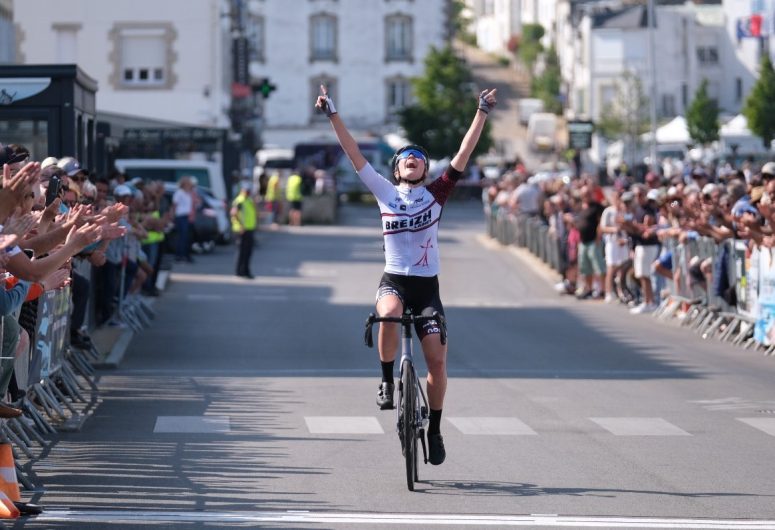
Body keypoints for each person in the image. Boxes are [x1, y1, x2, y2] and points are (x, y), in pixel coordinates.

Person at [315, 83, 497, 466]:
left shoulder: (437, 193)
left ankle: (434, 429)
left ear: (425, 168)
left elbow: (464, 152)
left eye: (418, 157)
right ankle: (386, 379)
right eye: (405, 157)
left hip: (427, 288)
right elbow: (353, 152)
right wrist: (333, 113)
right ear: (396, 169)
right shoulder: (383, 191)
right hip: (395, 279)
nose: (412, 159)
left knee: (438, 364)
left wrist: (481, 111)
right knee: (389, 313)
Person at [231, 181, 257, 279]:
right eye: (246, 190)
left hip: (249, 228)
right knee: (241, 252)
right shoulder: (239, 201)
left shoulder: (249, 200)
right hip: (241, 230)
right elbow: (234, 213)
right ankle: (238, 271)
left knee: (248, 252)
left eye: (248, 191)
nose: (247, 192)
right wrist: (240, 225)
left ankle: (246, 271)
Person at [172, 176, 195, 262]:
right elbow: (175, 205)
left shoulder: (188, 193)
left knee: (186, 237)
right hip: (181, 216)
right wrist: (174, 216)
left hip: (187, 216)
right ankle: (180, 255)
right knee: (182, 236)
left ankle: (185, 254)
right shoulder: (179, 193)